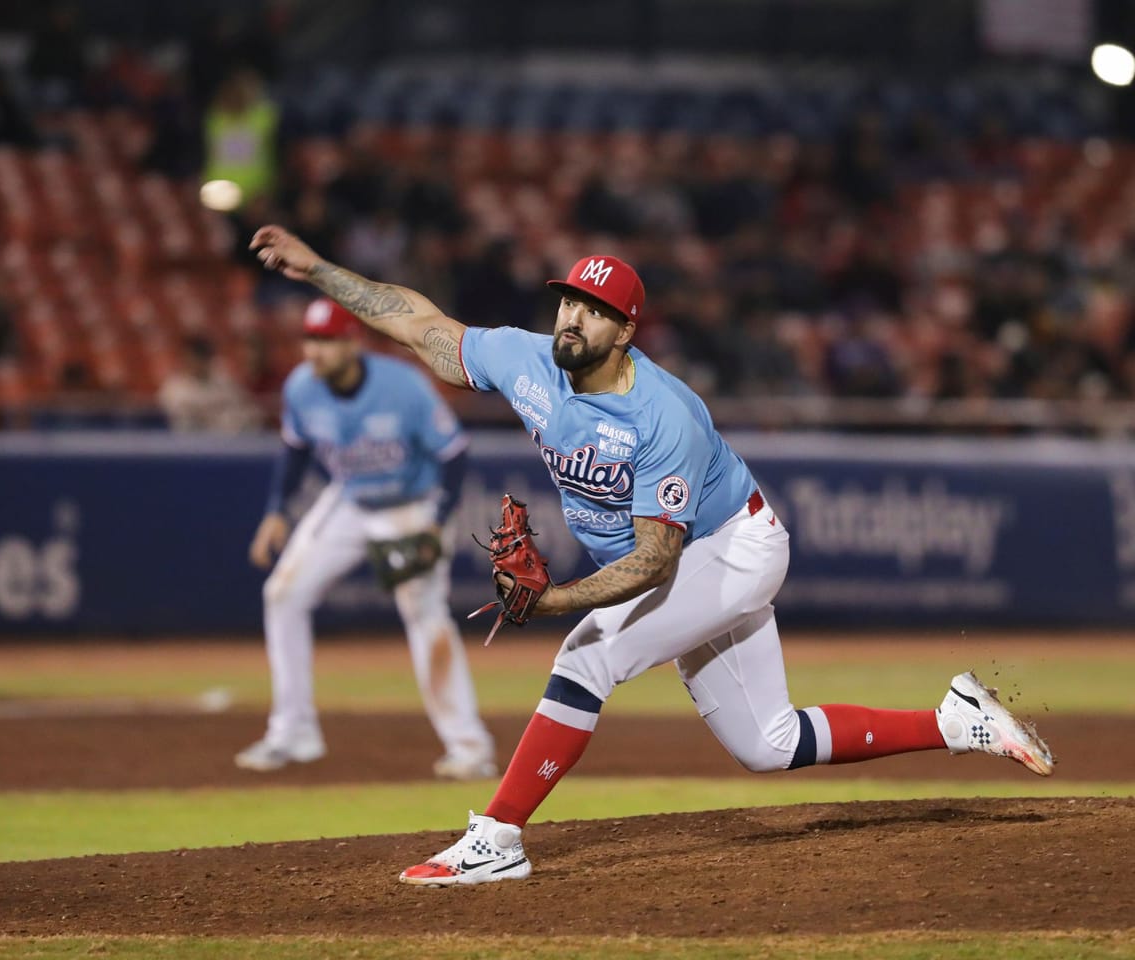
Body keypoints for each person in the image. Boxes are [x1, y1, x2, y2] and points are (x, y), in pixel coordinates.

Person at [248, 225, 1056, 886]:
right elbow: (418, 322)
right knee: (766, 744)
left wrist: (551, 602)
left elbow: (652, 564)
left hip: (731, 548)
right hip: (700, 556)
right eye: (568, 299)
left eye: (595, 310)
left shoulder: (663, 415)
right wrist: (316, 268)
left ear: (625, 330)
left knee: (588, 656)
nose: (573, 318)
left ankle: (496, 837)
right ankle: (958, 719)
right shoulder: (529, 362)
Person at [236, 297, 496, 780]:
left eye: (328, 340)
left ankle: (469, 746)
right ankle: (293, 732)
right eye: (311, 340)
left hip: (412, 505)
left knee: (425, 615)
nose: (316, 351)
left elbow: (454, 453)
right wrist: (277, 511)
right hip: (350, 501)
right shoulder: (301, 389)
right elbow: (294, 450)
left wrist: (436, 524)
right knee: (283, 594)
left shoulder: (402, 386)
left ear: (352, 342)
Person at [157, 334, 263, 432]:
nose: (197, 363)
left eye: (201, 358)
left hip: (223, 443)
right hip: (186, 445)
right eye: (192, 358)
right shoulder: (173, 388)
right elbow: (171, 419)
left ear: (208, 359)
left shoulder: (224, 384)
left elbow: (246, 409)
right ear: (185, 359)